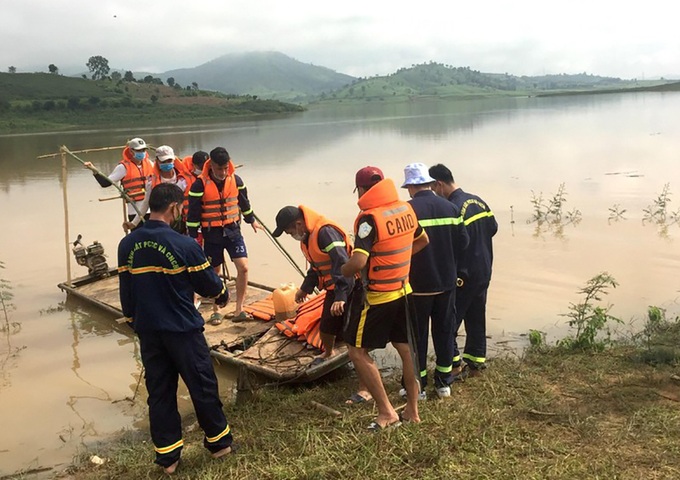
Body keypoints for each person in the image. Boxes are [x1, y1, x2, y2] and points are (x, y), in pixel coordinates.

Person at [117, 183, 235, 475]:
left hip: (149, 331)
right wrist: (222, 294)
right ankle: (220, 444)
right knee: (202, 385)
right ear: (173, 208)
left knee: (159, 392)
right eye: (180, 208)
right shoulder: (184, 245)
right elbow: (209, 285)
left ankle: (168, 458)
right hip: (182, 330)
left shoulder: (127, 244)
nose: (182, 212)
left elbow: (126, 293)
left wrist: (134, 321)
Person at [341, 166, 429, 430]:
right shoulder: (405, 209)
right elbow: (423, 240)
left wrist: (343, 270)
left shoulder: (369, 219)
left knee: (356, 351)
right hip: (404, 290)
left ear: (362, 190)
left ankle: (387, 412)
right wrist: (397, 261)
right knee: (406, 350)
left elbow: (358, 262)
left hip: (377, 297)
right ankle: (412, 410)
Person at [401, 162, 469, 399]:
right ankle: (443, 384)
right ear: (430, 183)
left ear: (410, 186)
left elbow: (398, 248)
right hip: (446, 284)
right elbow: (464, 243)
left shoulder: (405, 211)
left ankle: (417, 386)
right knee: (444, 333)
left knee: (416, 338)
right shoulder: (450, 208)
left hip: (417, 287)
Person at [429, 163, 498, 376]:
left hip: (464, 274)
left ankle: (455, 365)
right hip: (484, 270)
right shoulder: (478, 200)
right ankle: (476, 365)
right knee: (477, 317)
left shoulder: (454, 208)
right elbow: (493, 228)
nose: (434, 194)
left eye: (433, 190)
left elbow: (453, 243)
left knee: (449, 321)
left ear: (439, 184)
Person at [272, 205, 361, 366]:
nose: (291, 235)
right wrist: (304, 289)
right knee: (326, 326)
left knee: (351, 330)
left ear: (298, 224)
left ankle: (361, 366)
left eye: (290, 232)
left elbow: (341, 262)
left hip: (350, 285)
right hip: (334, 288)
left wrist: (341, 296)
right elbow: (316, 268)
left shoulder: (325, 233)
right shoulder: (307, 238)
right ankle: (328, 352)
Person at [186, 146, 261, 325]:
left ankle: (239, 309)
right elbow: (193, 213)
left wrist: (251, 220)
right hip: (212, 233)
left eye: (226, 168)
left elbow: (244, 203)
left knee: (243, 267)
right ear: (211, 165)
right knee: (214, 271)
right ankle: (216, 309)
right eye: (219, 169)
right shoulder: (199, 184)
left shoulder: (236, 180)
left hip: (233, 230)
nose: (223, 172)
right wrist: (192, 236)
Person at [84, 137, 154, 224]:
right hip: (135, 211)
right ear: (131, 151)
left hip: (152, 210)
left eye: (143, 150)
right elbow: (105, 183)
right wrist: (94, 170)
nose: (142, 153)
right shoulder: (123, 167)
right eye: (139, 151)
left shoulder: (150, 164)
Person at [124, 145, 189, 233]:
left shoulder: (183, 179)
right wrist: (134, 223)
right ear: (157, 161)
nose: (167, 163)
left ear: (174, 160)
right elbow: (146, 203)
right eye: (163, 161)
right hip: (162, 223)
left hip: (181, 221)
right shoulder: (152, 182)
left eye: (169, 160)